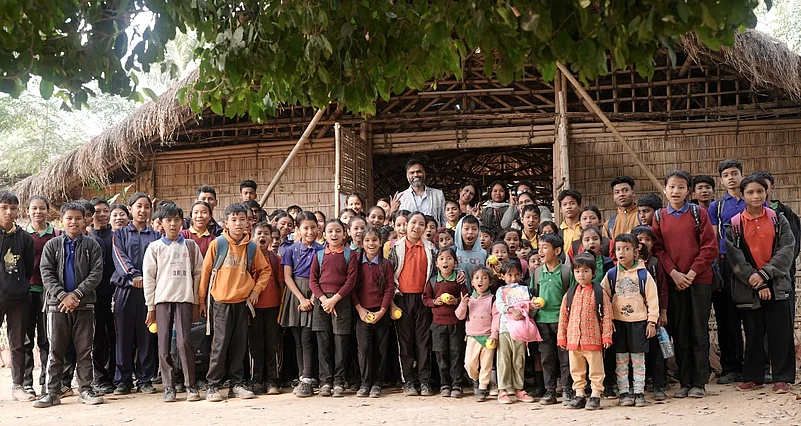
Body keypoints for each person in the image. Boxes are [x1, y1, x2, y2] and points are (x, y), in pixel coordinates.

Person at [726, 175, 796, 393]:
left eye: (760, 191)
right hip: (749, 288)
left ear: (767, 193)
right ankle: (753, 377)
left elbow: (787, 250)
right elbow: (735, 259)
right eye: (750, 192)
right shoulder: (735, 225)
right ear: (742, 195)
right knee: (753, 333)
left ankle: (781, 378)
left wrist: (766, 274)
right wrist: (756, 281)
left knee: (780, 333)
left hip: (778, 285)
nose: (755, 196)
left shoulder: (779, 220)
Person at [653, 170, 718, 398]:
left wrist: (691, 273)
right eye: (671, 187)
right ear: (664, 190)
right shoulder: (659, 216)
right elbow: (657, 248)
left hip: (699, 280)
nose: (676, 191)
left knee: (698, 330)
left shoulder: (698, 213)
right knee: (680, 331)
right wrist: (674, 274)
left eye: (681, 187)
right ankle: (684, 380)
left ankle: (699, 382)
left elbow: (710, 247)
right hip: (674, 283)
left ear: (688, 191)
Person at [34, 202, 104, 408]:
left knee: (85, 350)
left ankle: (85, 389)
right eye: (69, 218)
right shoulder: (52, 245)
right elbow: (46, 273)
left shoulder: (92, 246)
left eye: (78, 218)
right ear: (61, 221)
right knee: (55, 350)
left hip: (85, 305)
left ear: (85, 220)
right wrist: (63, 296)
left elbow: (96, 273)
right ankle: (52, 392)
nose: (73, 222)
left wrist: (77, 294)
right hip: (57, 306)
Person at [199, 203, 270, 402]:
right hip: (220, 302)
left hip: (242, 302)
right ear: (226, 223)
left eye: (242, 219)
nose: (239, 223)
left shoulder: (252, 247)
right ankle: (212, 385)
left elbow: (265, 271)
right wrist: (201, 301)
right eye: (234, 220)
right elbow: (205, 274)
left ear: (249, 222)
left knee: (240, 344)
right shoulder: (218, 244)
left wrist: (256, 290)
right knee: (220, 344)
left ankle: (236, 384)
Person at [142, 203, 203, 403]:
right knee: (163, 344)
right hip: (162, 301)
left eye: (177, 220)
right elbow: (149, 278)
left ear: (182, 222)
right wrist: (150, 306)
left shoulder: (191, 246)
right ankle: (169, 386)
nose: (173, 224)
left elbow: (198, 274)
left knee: (185, 342)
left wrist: (195, 300)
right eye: (169, 220)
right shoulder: (154, 248)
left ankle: (190, 385)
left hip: (185, 299)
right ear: (161, 224)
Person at [111, 192, 161, 395]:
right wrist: (133, 276)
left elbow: (160, 261)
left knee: (147, 335)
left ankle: (145, 379)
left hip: (149, 292)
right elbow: (119, 257)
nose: (142, 210)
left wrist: (148, 281)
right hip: (125, 289)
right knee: (123, 335)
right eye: (138, 206)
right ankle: (122, 380)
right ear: (130, 209)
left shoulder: (156, 236)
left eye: (146, 207)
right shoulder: (120, 234)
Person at [601, 234, 659, 408]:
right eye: (618, 249)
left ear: (636, 251)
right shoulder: (611, 274)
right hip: (618, 324)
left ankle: (639, 392)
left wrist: (652, 322)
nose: (622, 253)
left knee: (638, 360)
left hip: (639, 323)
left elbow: (652, 299)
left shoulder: (643, 275)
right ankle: (624, 393)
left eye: (627, 249)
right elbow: (604, 298)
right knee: (621, 360)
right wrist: (607, 321)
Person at [388, 211, 437, 397]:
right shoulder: (397, 247)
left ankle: (425, 381)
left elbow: (436, 272)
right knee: (405, 341)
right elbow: (389, 275)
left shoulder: (431, 249)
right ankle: (408, 381)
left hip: (423, 299)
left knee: (423, 341)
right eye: (413, 223)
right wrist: (392, 302)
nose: (417, 227)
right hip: (402, 298)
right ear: (406, 225)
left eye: (421, 224)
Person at [308, 219, 359, 397]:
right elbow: (313, 280)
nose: (334, 235)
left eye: (338, 231)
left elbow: (351, 281)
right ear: (324, 234)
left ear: (344, 234)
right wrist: (323, 299)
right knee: (324, 344)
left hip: (341, 301)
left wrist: (335, 300)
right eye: (330, 231)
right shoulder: (319, 255)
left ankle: (339, 381)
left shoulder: (349, 255)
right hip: (322, 303)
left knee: (341, 343)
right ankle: (325, 381)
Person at [558, 253, 614, 411]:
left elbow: (607, 315)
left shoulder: (599, 292)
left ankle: (596, 394)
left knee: (596, 369)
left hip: (593, 339)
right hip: (574, 340)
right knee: (576, 369)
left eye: (585, 271)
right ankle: (579, 394)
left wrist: (606, 336)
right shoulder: (570, 293)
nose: (581, 275)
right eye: (577, 271)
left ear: (593, 273)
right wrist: (562, 338)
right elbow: (563, 316)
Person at [708, 159, 746, 385]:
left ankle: (757, 366)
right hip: (725, 263)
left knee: (752, 316)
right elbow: (714, 238)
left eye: (734, 173)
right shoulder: (717, 206)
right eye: (726, 175)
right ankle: (731, 367)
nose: (731, 177)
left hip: (750, 266)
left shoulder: (753, 201)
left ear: (742, 175)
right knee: (726, 316)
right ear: (721, 180)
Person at [281, 211, 323, 398]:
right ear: (297, 229)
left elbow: (322, 276)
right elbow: (287, 277)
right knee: (297, 338)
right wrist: (301, 298)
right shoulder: (290, 250)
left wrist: (313, 298)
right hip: (296, 295)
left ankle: (308, 378)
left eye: (313, 227)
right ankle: (302, 375)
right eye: (305, 228)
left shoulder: (321, 250)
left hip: (314, 293)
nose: (310, 231)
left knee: (307, 337)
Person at [751, 171, 801, 321]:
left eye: (763, 188)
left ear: (772, 187)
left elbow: (792, 246)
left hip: (781, 275)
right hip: (755, 277)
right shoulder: (744, 217)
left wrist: (773, 268)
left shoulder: (785, 213)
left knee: (783, 323)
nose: (760, 193)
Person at [0, 191, 35, 403]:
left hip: (19, 299)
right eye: (4, 207)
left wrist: (19, 286)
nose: (8, 212)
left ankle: (18, 386)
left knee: (18, 344)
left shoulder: (24, 238)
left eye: (13, 208)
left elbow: (28, 267)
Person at [530, 233, 572, 406]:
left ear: (557, 250)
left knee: (565, 357)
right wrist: (533, 303)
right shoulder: (538, 272)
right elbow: (532, 294)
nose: (540, 251)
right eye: (539, 247)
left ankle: (568, 390)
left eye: (545, 247)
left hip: (562, 322)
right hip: (542, 321)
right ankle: (550, 391)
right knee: (546, 357)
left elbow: (572, 296)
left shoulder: (566, 272)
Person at [22, 196, 58, 398]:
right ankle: (27, 383)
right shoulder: (22, 235)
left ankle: (46, 381)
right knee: (26, 339)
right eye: (34, 208)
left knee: (47, 339)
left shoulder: (55, 235)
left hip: (49, 293)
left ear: (48, 211)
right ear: (28, 211)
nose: (38, 212)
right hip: (26, 292)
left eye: (42, 208)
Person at [352, 227, 394, 398]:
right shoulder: (356, 262)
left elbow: (389, 289)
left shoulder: (386, 264)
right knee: (364, 349)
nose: (371, 244)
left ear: (380, 242)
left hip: (381, 313)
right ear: (361, 243)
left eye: (374, 240)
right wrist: (360, 309)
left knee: (380, 348)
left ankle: (377, 384)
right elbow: (352, 288)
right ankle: (365, 383)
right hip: (362, 312)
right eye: (367, 240)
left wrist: (383, 311)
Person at [423, 247, 468, 398]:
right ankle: (445, 384)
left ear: (455, 262)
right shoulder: (433, 281)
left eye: (449, 258)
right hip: (438, 324)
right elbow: (426, 299)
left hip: (455, 324)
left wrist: (457, 301)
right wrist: (436, 301)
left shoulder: (458, 279)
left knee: (456, 354)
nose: (445, 261)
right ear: (436, 263)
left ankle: (457, 384)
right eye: (442, 259)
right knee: (441, 355)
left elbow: (466, 297)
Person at [633, 225, 669, 401]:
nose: (643, 244)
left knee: (656, 352)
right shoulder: (625, 266)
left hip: (652, 316)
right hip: (633, 317)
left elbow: (663, 290)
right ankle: (639, 385)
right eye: (639, 240)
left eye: (648, 240)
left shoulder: (655, 264)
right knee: (638, 352)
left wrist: (662, 313)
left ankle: (658, 385)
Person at [248, 222, 283, 395]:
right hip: (253, 309)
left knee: (272, 344)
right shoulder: (248, 257)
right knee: (255, 345)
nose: (262, 237)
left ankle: (272, 380)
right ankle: (256, 380)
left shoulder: (276, 259)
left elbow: (282, 284)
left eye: (266, 234)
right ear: (253, 237)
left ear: (271, 238)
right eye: (259, 233)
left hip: (273, 307)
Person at [86, 198, 117, 395]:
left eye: (106, 211)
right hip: (94, 295)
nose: (102, 214)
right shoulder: (87, 238)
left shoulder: (117, 237)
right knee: (96, 337)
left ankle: (114, 375)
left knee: (114, 336)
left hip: (114, 293)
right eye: (98, 211)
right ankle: (99, 377)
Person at [494, 260, 535, 404]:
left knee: (519, 360)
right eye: (509, 275)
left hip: (521, 329)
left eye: (517, 275)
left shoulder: (524, 290)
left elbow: (529, 306)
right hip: (505, 329)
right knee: (504, 359)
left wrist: (532, 304)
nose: (513, 278)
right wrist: (511, 310)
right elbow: (499, 306)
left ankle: (519, 388)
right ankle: (503, 390)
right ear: (502, 276)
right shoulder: (501, 291)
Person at [455, 267, 499, 402]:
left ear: (490, 282)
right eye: (477, 278)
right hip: (472, 336)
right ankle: (475, 378)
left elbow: (496, 318)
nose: (481, 280)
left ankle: (482, 387)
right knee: (469, 364)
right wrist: (463, 304)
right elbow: (459, 316)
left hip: (487, 338)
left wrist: (494, 335)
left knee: (486, 364)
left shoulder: (492, 299)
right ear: (472, 282)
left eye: (484, 278)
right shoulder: (469, 299)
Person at [394, 160, 446, 227]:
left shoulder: (438, 195)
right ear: (407, 176)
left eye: (419, 172)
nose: (416, 175)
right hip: (410, 236)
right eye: (412, 173)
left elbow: (444, 219)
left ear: (424, 173)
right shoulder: (400, 197)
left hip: (433, 236)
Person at [454, 215, 486, 293]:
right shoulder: (453, 251)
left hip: (477, 297)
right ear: (459, 231)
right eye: (466, 229)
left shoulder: (484, 253)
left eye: (474, 229)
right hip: (456, 296)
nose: (470, 232)